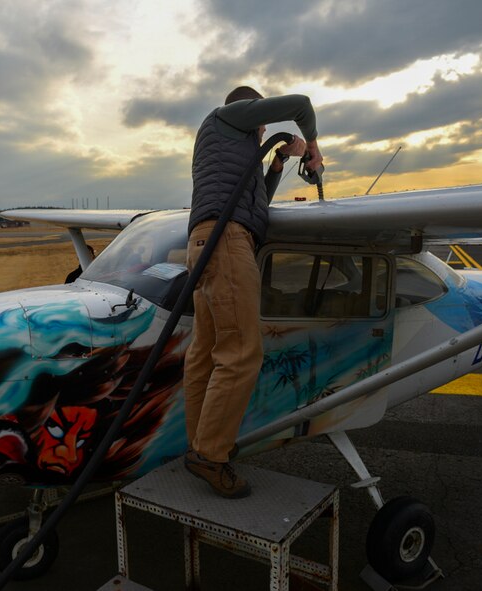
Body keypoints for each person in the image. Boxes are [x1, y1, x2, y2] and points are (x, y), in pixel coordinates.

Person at [183, 86, 322, 498]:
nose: (263, 133)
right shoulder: (229, 118)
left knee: (206, 353)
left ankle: (199, 445)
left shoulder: (227, 148)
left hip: (205, 243)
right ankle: (211, 455)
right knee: (242, 352)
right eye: (262, 126)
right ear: (251, 113)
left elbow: (252, 198)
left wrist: (279, 162)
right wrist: (311, 148)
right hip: (227, 243)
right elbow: (301, 105)